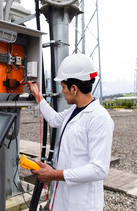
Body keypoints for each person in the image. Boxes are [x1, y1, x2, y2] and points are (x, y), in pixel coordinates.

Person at [27, 53, 114, 211]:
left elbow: (99, 169)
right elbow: (53, 120)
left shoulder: (100, 118)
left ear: (74, 89)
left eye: (63, 87)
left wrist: (55, 174)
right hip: (63, 199)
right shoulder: (74, 110)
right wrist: (36, 94)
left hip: (82, 204)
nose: (62, 91)